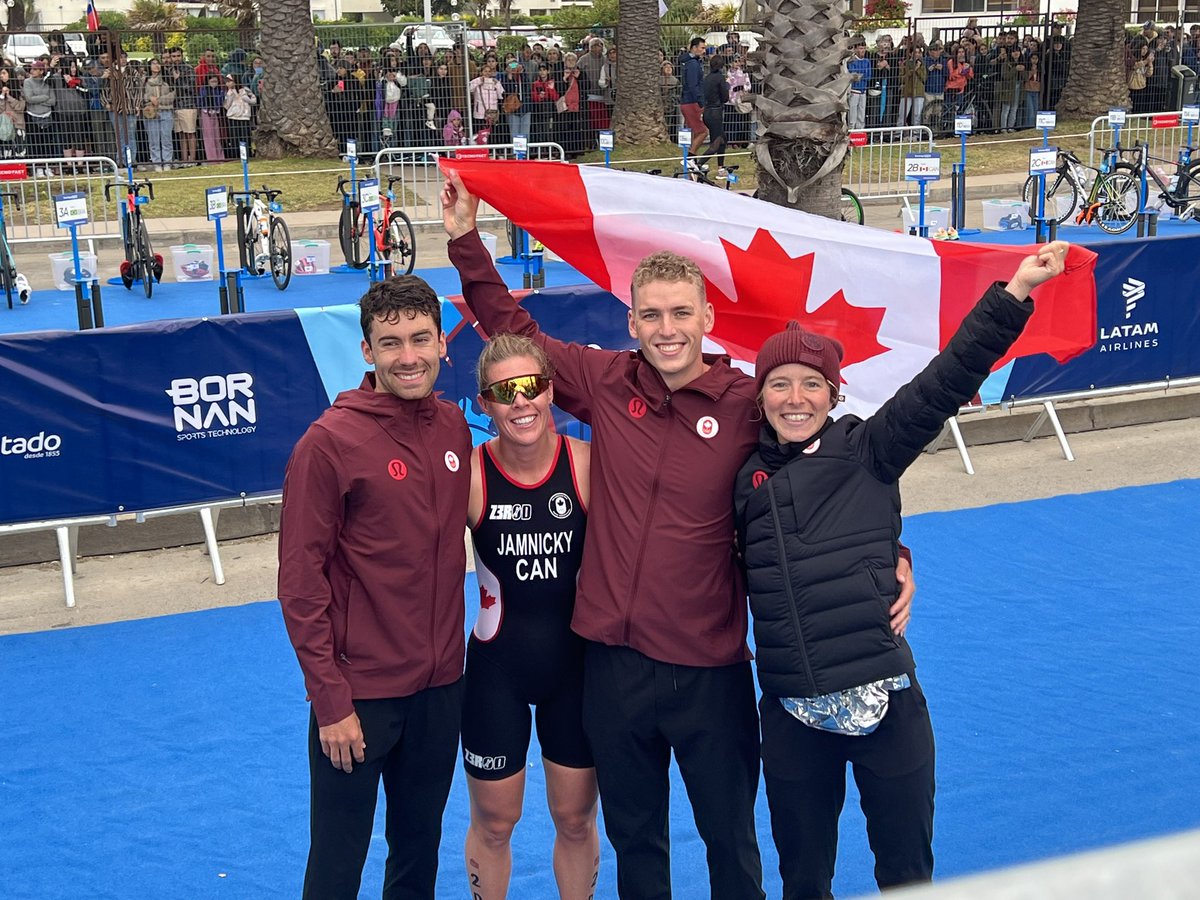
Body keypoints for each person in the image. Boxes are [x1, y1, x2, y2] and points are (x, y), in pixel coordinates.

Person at [441, 172, 914, 900]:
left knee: (730, 840)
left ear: (706, 318)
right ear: (631, 322)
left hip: (709, 671)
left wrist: (896, 557)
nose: (666, 328)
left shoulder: (743, 403)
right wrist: (465, 241)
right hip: (613, 667)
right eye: (651, 314)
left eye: (680, 313)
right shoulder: (605, 383)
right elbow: (516, 333)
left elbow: (839, 468)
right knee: (636, 841)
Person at [734, 242, 1070, 900]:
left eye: (812, 384)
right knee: (803, 881)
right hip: (792, 714)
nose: (795, 397)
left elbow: (946, 378)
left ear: (834, 393)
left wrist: (1016, 292)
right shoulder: (740, 478)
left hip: (887, 704)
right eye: (780, 383)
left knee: (908, 877)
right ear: (761, 394)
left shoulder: (870, 448)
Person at [278, 275, 470, 899]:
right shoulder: (328, 444)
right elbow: (300, 585)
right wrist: (330, 701)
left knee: (418, 854)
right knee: (337, 865)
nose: (408, 356)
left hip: (441, 690)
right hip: (359, 698)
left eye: (421, 339)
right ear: (367, 351)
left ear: (443, 343)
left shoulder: (452, 428)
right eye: (391, 343)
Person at [462, 332, 600, 899]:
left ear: (550, 392)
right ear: (486, 405)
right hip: (499, 670)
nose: (521, 402)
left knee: (574, 819)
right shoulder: (469, 475)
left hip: (577, 671)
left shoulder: (587, 465)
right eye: (504, 391)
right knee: (495, 824)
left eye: (531, 386)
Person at [695, 55, 729, 178]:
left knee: (723, 139)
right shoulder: (720, 78)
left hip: (707, 111)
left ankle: (721, 168)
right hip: (716, 112)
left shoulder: (707, 78)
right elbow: (725, 97)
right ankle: (698, 164)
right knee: (716, 142)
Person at [141, 57, 175, 171]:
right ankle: (156, 162)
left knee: (166, 138)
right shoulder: (144, 81)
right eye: (153, 64)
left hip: (166, 111)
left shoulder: (167, 79)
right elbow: (140, 95)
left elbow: (173, 95)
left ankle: (167, 162)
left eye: (158, 63)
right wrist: (149, 98)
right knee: (153, 139)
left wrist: (159, 100)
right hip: (150, 113)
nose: (156, 66)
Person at [166, 47, 198, 167]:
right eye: (174, 56)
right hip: (175, 106)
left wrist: (178, 80)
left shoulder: (189, 69)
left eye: (178, 56)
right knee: (181, 134)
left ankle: (192, 160)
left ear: (182, 55)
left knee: (190, 132)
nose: (176, 59)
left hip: (188, 105)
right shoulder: (170, 70)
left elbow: (191, 88)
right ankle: (184, 160)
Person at [679, 37, 708, 157]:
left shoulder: (692, 62)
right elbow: (692, 85)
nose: (704, 51)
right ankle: (691, 156)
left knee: (694, 131)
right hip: (691, 102)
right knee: (702, 132)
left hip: (689, 101)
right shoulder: (692, 64)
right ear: (694, 48)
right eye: (702, 48)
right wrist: (700, 101)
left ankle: (690, 156)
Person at [847, 39, 871, 131]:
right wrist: (859, 76)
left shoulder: (867, 61)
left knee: (861, 114)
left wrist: (859, 75)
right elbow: (853, 75)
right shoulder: (852, 61)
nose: (863, 50)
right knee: (852, 114)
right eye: (861, 48)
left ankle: (860, 132)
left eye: (864, 48)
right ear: (856, 49)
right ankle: (851, 132)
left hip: (863, 91)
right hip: (854, 90)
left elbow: (868, 76)